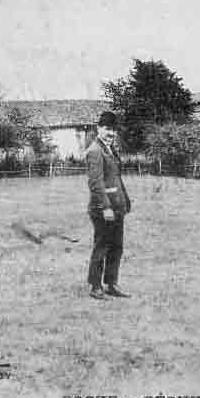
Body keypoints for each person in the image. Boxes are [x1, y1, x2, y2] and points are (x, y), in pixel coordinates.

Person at [86, 111, 131, 299]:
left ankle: (111, 284)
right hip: (103, 209)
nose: (111, 133)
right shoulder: (95, 151)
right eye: (107, 129)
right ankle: (95, 287)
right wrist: (106, 208)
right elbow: (96, 184)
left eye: (113, 130)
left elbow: (116, 179)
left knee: (116, 247)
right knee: (102, 246)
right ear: (99, 128)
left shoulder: (110, 149)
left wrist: (125, 201)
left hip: (117, 207)